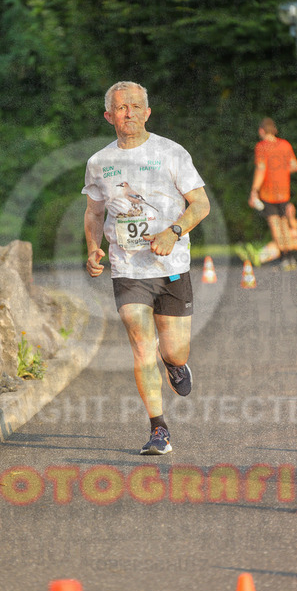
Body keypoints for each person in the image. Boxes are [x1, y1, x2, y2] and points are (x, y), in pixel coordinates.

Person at [82, 81, 210, 455]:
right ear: (109, 116)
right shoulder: (99, 162)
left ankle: (174, 364)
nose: (129, 113)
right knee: (141, 347)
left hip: (171, 265)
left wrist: (173, 232)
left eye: (136, 106)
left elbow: (201, 205)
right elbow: (94, 213)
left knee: (175, 351)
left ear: (148, 112)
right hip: (127, 268)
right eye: (121, 108)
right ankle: (159, 430)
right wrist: (93, 248)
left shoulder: (171, 153)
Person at [248, 117, 297, 270]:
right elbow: (294, 166)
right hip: (284, 191)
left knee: (275, 225)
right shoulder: (285, 144)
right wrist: (281, 171)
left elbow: (261, 168)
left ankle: (283, 258)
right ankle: (291, 258)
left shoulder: (261, 146)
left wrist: (254, 190)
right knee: (284, 224)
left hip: (268, 192)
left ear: (261, 131)